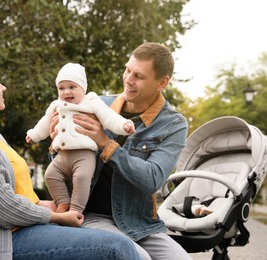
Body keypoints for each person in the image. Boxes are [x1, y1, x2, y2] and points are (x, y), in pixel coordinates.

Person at [0, 56, 140, 260]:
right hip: (7, 242)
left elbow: (9, 195)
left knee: (119, 243)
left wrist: (43, 205)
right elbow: (4, 209)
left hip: (26, 230)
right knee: (118, 247)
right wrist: (57, 216)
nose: (3, 88)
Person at [50, 42, 192, 260]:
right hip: (91, 216)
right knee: (139, 258)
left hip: (140, 224)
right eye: (127, 70)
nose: (128, 79)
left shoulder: (173, 124)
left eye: (139, 76)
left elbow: (153, 178)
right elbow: (65, 166)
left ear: (162, 82)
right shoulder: (96, 105)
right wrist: (56, 144)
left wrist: (105, 143)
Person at [26, 63, 135, 214]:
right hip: (62, 156)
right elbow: (44, 124)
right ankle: (63, 203)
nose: (66, 92)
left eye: (72, 87)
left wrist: (124, 125)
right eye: (61, 88)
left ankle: (76, 210)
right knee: (50, 175)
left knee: (82, 178)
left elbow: (109, 118)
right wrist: (33, 135)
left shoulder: (92, 102)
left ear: (83, 89)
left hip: (84, 155)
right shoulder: (56, 105)